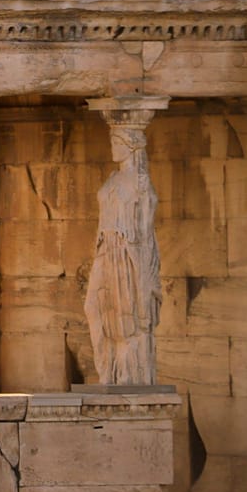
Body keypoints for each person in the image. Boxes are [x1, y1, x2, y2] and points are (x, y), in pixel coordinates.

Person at [84, 126, 160, 385]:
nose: (113, 146)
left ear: (131, 146)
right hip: (105, 249)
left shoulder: (140, 181)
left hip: (127, 252)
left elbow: (147, 224)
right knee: (92, 307)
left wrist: (142, 265)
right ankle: (108, 369)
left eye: (117, 141)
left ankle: (128, 377)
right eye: (113, 141)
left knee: (127, 315)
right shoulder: (113, 179)